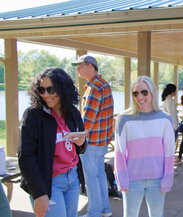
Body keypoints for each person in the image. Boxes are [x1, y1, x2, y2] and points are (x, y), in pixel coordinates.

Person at [19, 68, 87, 217]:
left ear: (63, 88)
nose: (46, 95)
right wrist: (39, 193)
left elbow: (81, 147)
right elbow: (26, 157)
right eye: (41, 90)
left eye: (51, 89)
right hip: (49, 182)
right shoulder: (33, 115)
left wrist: (81, 143)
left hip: (72, 178)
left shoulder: (73, 113)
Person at [114, 76, 175, 217]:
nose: (139, 97)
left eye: (144, 92)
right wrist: (122, 179)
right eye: (135, 93)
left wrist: (167, 178)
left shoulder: (165, 119)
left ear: (152, 92)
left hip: (158, 179)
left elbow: (169, 153)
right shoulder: (123, 119)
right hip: (132, 179)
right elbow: (119, 153)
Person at [72, 55, 114, 217]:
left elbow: (86, 122)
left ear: (90, 66)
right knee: (99, 175)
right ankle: (105, 209)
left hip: (91, 142)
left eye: (80, 66)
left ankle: (94, 212)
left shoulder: (94, 87)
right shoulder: (104, 85)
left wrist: (76, 139)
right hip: (102, 141)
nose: (78, 69)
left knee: (91, 178)